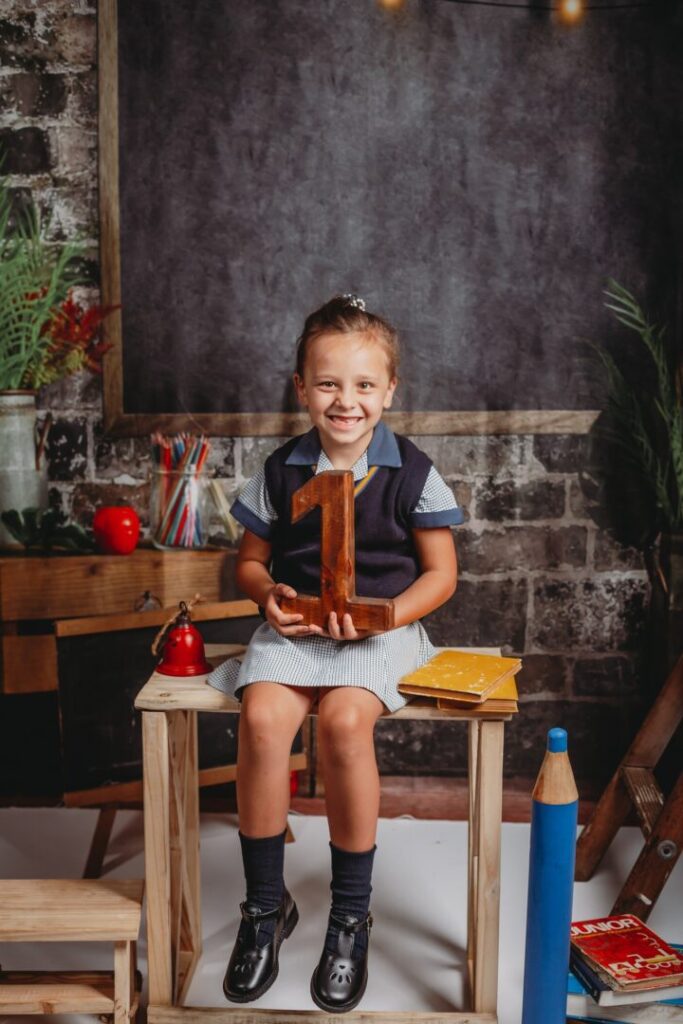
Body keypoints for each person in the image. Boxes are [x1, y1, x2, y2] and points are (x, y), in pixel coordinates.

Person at [208, 293, 463, 1012]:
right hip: (297, 630)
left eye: (361, 385)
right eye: (327, 384)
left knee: (344, 725)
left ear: (388, 391)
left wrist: (387, 619)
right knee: (260, 721)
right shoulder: (282, 468)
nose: (344, 401)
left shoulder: (411, 471)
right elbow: (250, 564)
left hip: (377, 632)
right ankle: (265, 907)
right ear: (301, 390)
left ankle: (349, 915)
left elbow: (441, 576)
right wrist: (268, 600)